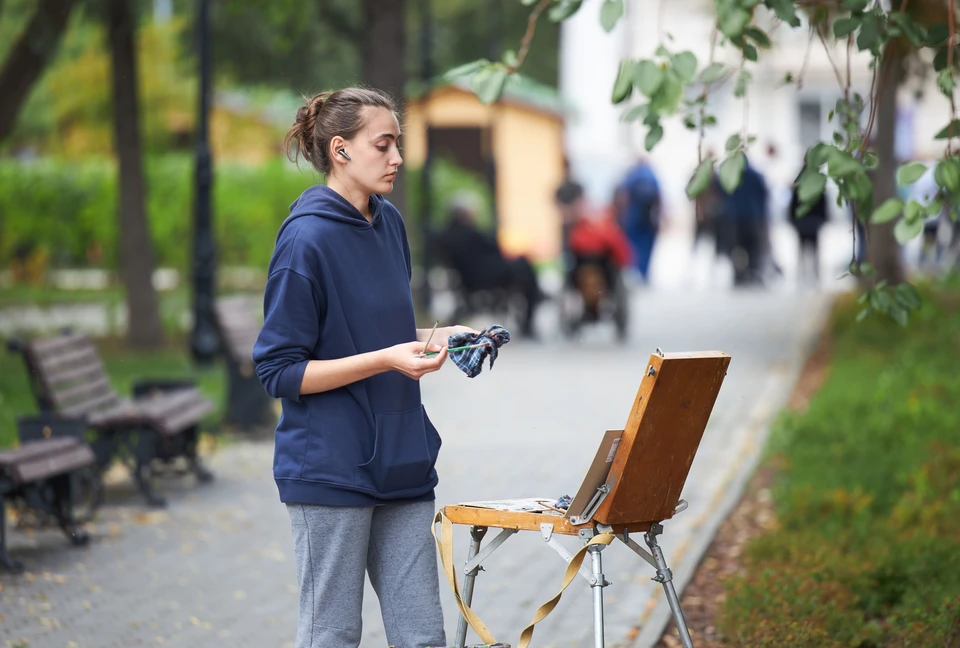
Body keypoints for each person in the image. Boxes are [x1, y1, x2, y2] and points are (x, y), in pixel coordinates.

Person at [253, 87, 476, 648]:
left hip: (401, 461)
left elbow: (385, 335)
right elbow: (278, 370)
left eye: (397, 143)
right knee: (332, 636)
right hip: (329, 468)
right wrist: (386, 360)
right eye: (384, 144)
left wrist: (442, 337)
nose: (397, 157)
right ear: (340, 150)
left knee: (423, 637)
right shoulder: (305, 240)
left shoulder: (390, 224)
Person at [436, 194, 544, 338]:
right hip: (484, 277)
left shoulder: (448, 234)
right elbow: (493, 250)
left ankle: (533, 302)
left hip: (475, 276)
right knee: (525, 267)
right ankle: (530, 315)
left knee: (523, 265)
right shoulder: (467, 233)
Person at [616, 158, 662, 283]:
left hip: (634, 216)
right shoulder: (652, 176)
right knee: (647, 246)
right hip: (649, 217)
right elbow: (659, 198)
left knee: (632, 245)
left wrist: (623, 215)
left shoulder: (632, 176)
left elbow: (624, 196)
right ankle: (644, 273)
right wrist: (659, 217)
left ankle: (634, 273)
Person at [788, 166, 828, 286]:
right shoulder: (817, 183)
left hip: (803, 221)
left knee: (802, 249)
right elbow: (823, 205)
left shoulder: (798, 184)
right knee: (814, 249)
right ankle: (814, 275)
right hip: (813, 221)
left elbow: (793, 205)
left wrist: (792, 220)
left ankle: (803, 274)